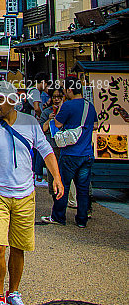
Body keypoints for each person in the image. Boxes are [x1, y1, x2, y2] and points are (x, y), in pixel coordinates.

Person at [0, 80, 64, 305]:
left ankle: (13, 292)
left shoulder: (30, 123)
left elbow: (46, 150)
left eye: (0, 100)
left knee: (18, 246)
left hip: (25, 193)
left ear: (13, 102)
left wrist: (57, 179)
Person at [41, 77, 97, 228]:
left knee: (62, 185)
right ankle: (82, 220)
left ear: (70, 90)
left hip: (70, 153)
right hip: (86, 153)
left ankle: (59, 216)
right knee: (83, 188)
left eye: (65, 90)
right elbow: (96, 125)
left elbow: (58, 123)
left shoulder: (68, 106)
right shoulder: (89, 106)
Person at [39, 87, 65, 200]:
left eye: (59, 97)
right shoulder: (46, 112)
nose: (57, 100)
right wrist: (49, 120)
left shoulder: (66, 111)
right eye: (54, 97)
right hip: (51, 147)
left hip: (64, 148)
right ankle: (55, 199)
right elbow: (41, 130)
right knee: (52, 175)